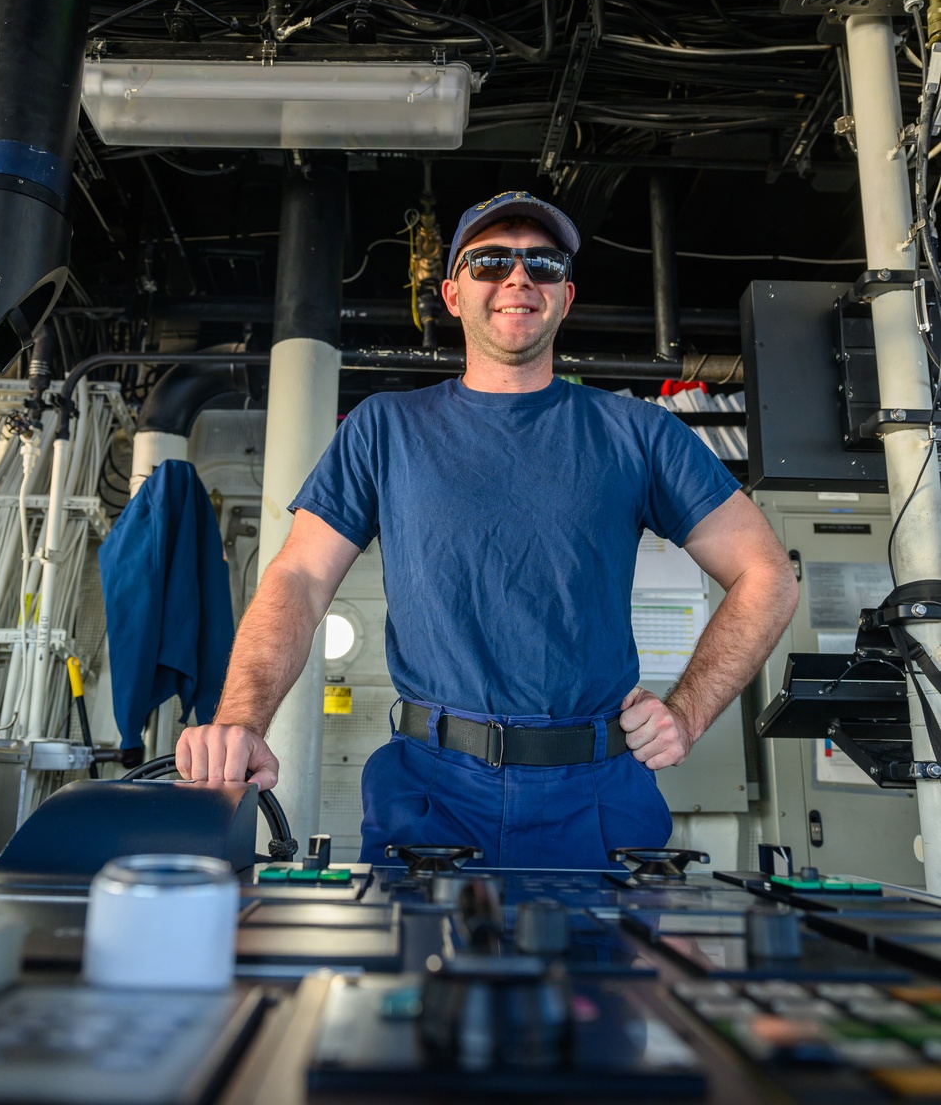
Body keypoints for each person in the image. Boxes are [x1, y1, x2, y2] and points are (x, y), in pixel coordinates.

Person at [175, 190, 798, 867]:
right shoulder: (385, 430)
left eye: (543, 264)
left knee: (605, 979)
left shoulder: (638, 434)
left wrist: (687, 711)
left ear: (566, 295)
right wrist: (240, 721)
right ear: (451, 294)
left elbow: (768, 576)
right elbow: (298, 577)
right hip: (431, 793)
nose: (518, 278)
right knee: (427, 974)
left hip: (597, 793)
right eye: (491, 261)